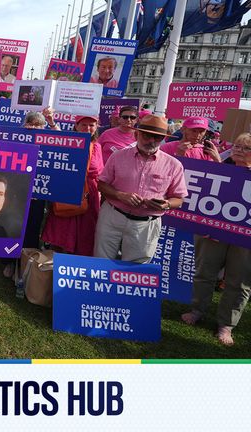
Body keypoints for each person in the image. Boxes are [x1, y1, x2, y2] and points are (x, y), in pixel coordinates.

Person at [180, 133, 251, 346]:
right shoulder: (216, 167)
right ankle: (197, 310)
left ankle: (226, 324)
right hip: (213, 233)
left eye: (245, 148)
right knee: (204, 272)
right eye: (237, 146)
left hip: (245, 239)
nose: (238, 150)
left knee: (239, 282)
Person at [94, 115, 188, 263]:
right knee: (100, 262)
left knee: (135, 272)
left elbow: (179, 198)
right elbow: (101, 184)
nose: (151, 141)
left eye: (157, 137)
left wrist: (166, 204)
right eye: (147, 135)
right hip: (113, 216)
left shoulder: (173, 165)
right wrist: (120, 195)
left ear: (163, 138)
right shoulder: (118, 156)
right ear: (136, 134)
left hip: (146, 223)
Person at [42, 115, 104, 256]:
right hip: (68, 191)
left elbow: (100, 171)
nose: (87, 128)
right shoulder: (68, 142)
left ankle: (77, 268)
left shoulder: (97, 146)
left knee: (86, 232)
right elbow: (57, 138)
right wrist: (51, 122)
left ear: (96, 127)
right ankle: (54, 266)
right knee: (63, 230)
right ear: (76, 126)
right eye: (84, 125)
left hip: (89, 195)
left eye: (91, 125)